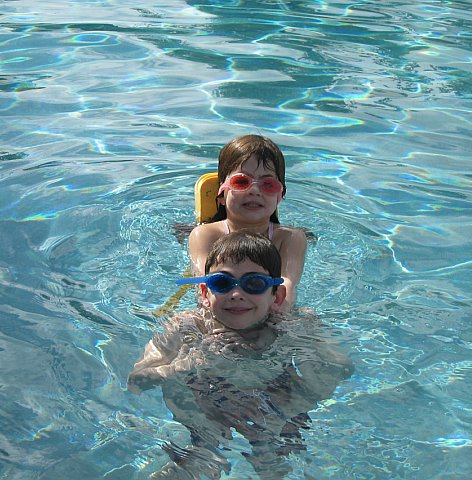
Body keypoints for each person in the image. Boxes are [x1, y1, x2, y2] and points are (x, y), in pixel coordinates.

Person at [128, 232, 353, 479]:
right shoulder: (185, 326)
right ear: (204, 293)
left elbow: (341, 367)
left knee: (277, 461)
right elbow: (137, 381)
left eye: (254, 283)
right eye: (222, 283)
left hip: (275, 408)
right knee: (202, 448)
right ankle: (202, 455)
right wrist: (185, 365)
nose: (236, 293)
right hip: (207, 405)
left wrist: (305, 357)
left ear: (277, 296)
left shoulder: (295, 325)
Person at [188, 135, 307, 311]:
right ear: (221, 195)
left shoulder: (290, 238)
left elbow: (286, 284)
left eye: (268, 184)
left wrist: (277, 320)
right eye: (241, 182)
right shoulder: (205, 235)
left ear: (279, 196)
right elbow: (204, 285)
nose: (255, 190)